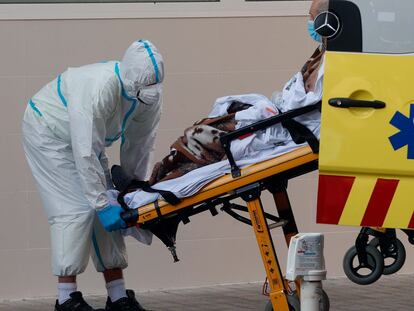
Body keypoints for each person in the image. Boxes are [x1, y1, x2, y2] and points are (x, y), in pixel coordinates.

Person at [22, 40, 163, 311]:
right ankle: (66, 299)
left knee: (111, 204)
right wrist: (98, 203)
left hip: (87, 141)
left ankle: (118, 296)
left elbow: (140, 144)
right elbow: (84, 149)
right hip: (48, 131)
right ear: (129, 79)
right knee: (76, 209)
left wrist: (131, 193)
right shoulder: (100, 87)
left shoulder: (150, 96)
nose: (148, 95)